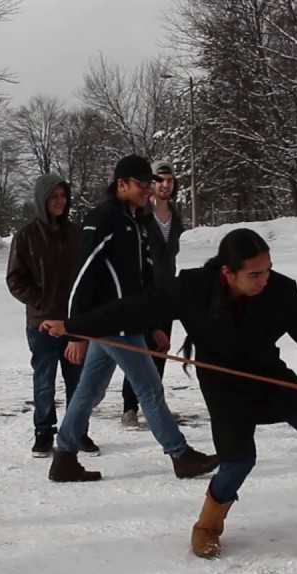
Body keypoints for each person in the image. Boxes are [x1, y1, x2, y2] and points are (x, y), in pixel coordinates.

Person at [43, 228, 297, 557]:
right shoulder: (192, 288)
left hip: (269, 376)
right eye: (255, 274)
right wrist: (74, 326)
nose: (265, 280)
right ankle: (207, 526)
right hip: (223, 385)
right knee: (239, 462)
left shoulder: (281, 291)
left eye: (268, 270)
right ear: (228, 272)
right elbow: (132, 308)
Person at [47, 155, 218, 483]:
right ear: (121, 184)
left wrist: (154, 322)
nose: (147, 189)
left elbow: (145, 279)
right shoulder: (105, 219)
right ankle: (181, 456)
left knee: (88, 391)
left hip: (127, 320)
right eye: (141, 184)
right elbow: (83, 276)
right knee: (150, 389)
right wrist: (76, 330)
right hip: (114, 324)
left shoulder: (135, 220)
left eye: (149, 184)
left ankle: (65, 456)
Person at [6, 173, 98, 458]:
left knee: (79, 381)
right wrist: (41, 303)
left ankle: (77, 430)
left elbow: (89, 275)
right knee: (44, 380)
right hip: (42, 324)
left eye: (63, 195)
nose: (60, 201)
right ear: (42, 200)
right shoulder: (26, 236)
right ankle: (44, 431)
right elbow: (15, 279)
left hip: (74, 322)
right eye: (54, 196)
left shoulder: (77, 234)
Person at [120, 159, 183, 429]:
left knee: (161, 349)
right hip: (141, 291)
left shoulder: (176, 214)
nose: (165, 185)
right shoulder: (140, 214)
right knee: (138, 349)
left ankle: (155, 405)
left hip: (166, 294)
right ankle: (129, 406)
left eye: (169, 180)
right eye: (160, 180)